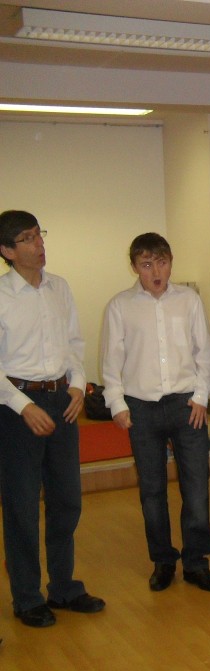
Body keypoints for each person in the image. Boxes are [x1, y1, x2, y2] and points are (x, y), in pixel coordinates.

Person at [101, 233, 210, 593]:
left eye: (162, 262)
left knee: (196, 488)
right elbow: (111, 360)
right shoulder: (120, 306)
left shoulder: (189, 300)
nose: (155, 271)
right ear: (134, 267)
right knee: (152, 491)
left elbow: (205, 352)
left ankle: (197, 563)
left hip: (187, 405)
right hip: (141, 408)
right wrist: (117, 403)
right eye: (146, 264)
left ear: (171, 262)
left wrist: (201, 396)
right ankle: (163, 561)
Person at [0, 210, 105, 628]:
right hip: (16, 407)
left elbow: (74, 343)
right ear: (7, 251)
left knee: (67, 500)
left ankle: (63, 587)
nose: (39, 244)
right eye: (27, 238)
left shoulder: (59, 287)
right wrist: (22, 406)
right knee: (22, 506)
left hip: (62, 399)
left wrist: (78, 385)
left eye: (39, 234)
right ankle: (27, 597)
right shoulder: (2, 295)